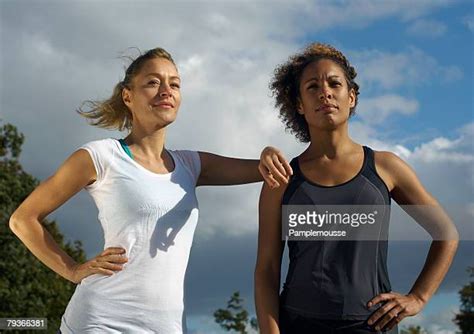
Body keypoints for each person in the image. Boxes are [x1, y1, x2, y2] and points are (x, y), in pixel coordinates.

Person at [9, 47, 292, 333]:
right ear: (128, 96)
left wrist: (267, 153)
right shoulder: (100, 156)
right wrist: (71, 270)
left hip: (166, 326)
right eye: (153, 82)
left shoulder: (190, 165)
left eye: (175, 83)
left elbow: (263, 168)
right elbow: (23, 219)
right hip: (101, 320)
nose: (166, 90)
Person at [255, 43, 459, 334]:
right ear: (299, 104)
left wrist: (419, 297)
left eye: (334, 83)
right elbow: (267, 269)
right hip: (298, 324)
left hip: (372, 325)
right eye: (312, 86)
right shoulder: (282, 178)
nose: (324, 92)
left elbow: (446, 233)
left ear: (351, 97)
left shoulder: (386, 167)